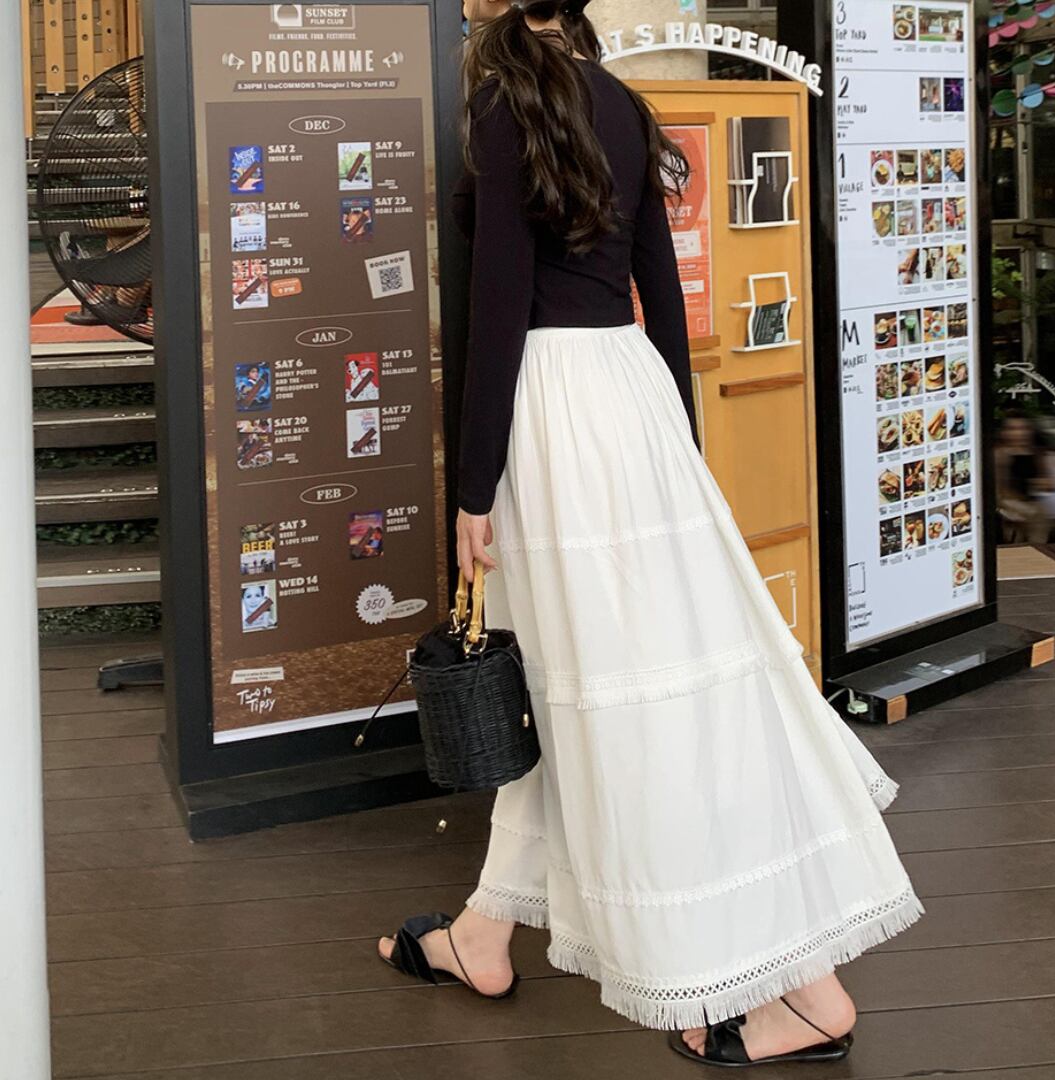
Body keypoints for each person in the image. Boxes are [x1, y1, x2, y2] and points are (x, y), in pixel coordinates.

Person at [378, 0, 924, 1067]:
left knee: (612, 694)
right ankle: (484, 933)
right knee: (586, 684)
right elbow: (662, 295)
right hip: (632, 397)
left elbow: (499, 306)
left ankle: (792, 988)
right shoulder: (622, 103)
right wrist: (681, 447)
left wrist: (472, 488)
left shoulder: (506, 100)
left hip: (550, 409)